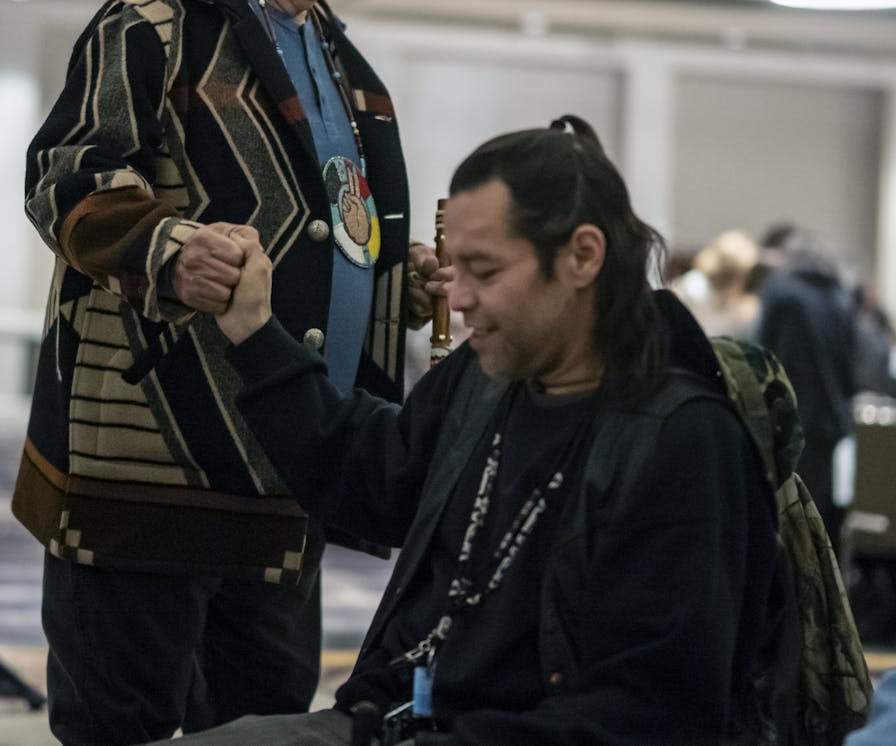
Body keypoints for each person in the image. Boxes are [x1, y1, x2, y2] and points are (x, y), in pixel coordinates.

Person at [11, 0, 446, 746]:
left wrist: (391, 281)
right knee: (117, 727)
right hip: (149, 461)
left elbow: (334, 221)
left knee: (265, 727)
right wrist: (168, 248)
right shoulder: (155, 19)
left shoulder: (336, 53)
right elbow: (65, 176)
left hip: (289, 461)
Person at [149, 115, 780, 745]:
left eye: (485, 270)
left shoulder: (683, 439)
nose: (458, 297)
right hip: (384, 721)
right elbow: (366, 476)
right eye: (457, 268)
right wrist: (255, 335)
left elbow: (650, 713)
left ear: (583, 256)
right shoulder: (488, 380)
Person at [755, 225, 858, 547]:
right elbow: (850, 370)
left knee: (782, 529)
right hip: (828, 426)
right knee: (817, 526)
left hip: (786, 423)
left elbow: (761, 358)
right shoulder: (840, 298)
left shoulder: (781, 292)